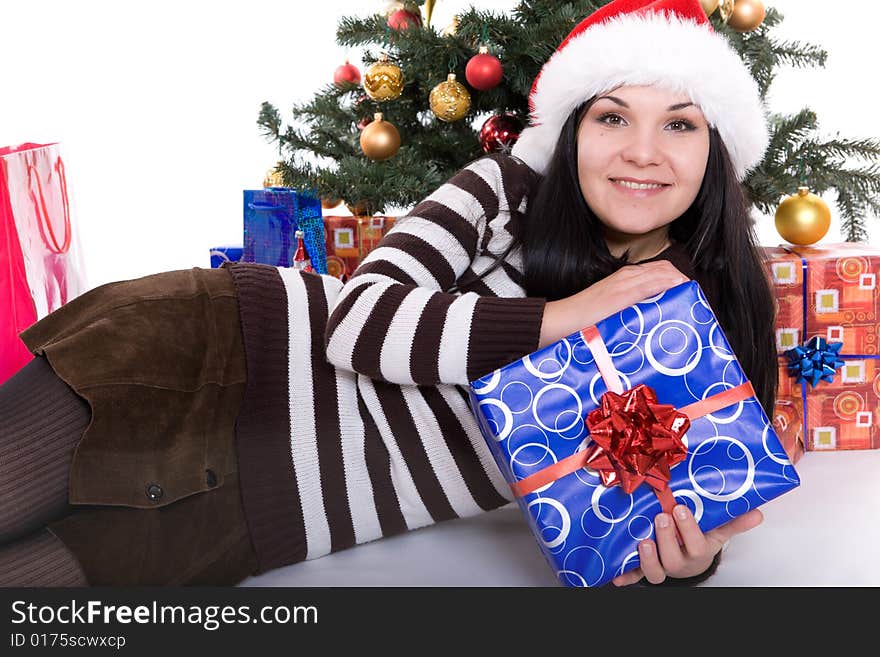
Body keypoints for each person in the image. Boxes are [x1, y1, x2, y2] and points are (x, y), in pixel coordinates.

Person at [0, 0, 777, 588]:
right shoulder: (505, 191)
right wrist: (569, 316)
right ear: (573, 128)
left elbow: (640, 515)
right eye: (613, 116)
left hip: (260, 520)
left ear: (717, 152)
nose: (642, 152)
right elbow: (360, 322)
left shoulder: (697, 327)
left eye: (679, 125)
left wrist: (693, 561)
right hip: (215, 353)